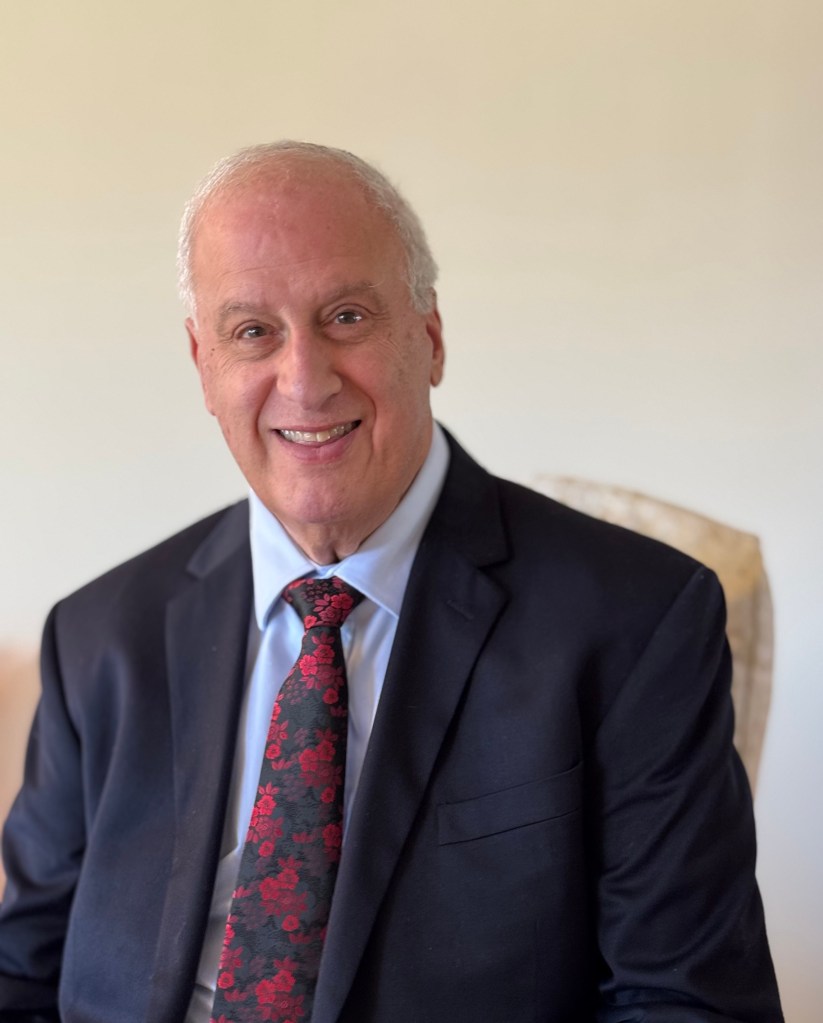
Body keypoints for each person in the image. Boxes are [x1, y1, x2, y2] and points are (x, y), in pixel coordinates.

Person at [0, 141, 782, 1023]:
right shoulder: (100, 637)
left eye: (346, 317)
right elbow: (22, 978)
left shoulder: (635, 621)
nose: (304, 380)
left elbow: (685, 1002)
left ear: (431, 338)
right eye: (253, 331)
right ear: (202, 365)